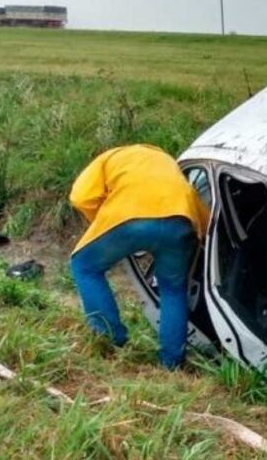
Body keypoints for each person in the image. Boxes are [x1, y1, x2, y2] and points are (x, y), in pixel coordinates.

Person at [69, 144, 209, 369]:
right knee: (173, 290)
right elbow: (200, 211)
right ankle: (172, 362)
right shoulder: (167, 162)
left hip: (129, 220)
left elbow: (81, 197)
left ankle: (110, 340)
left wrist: (102, 222)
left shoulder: (108, 158)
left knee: (84, 266)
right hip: (180, 221)